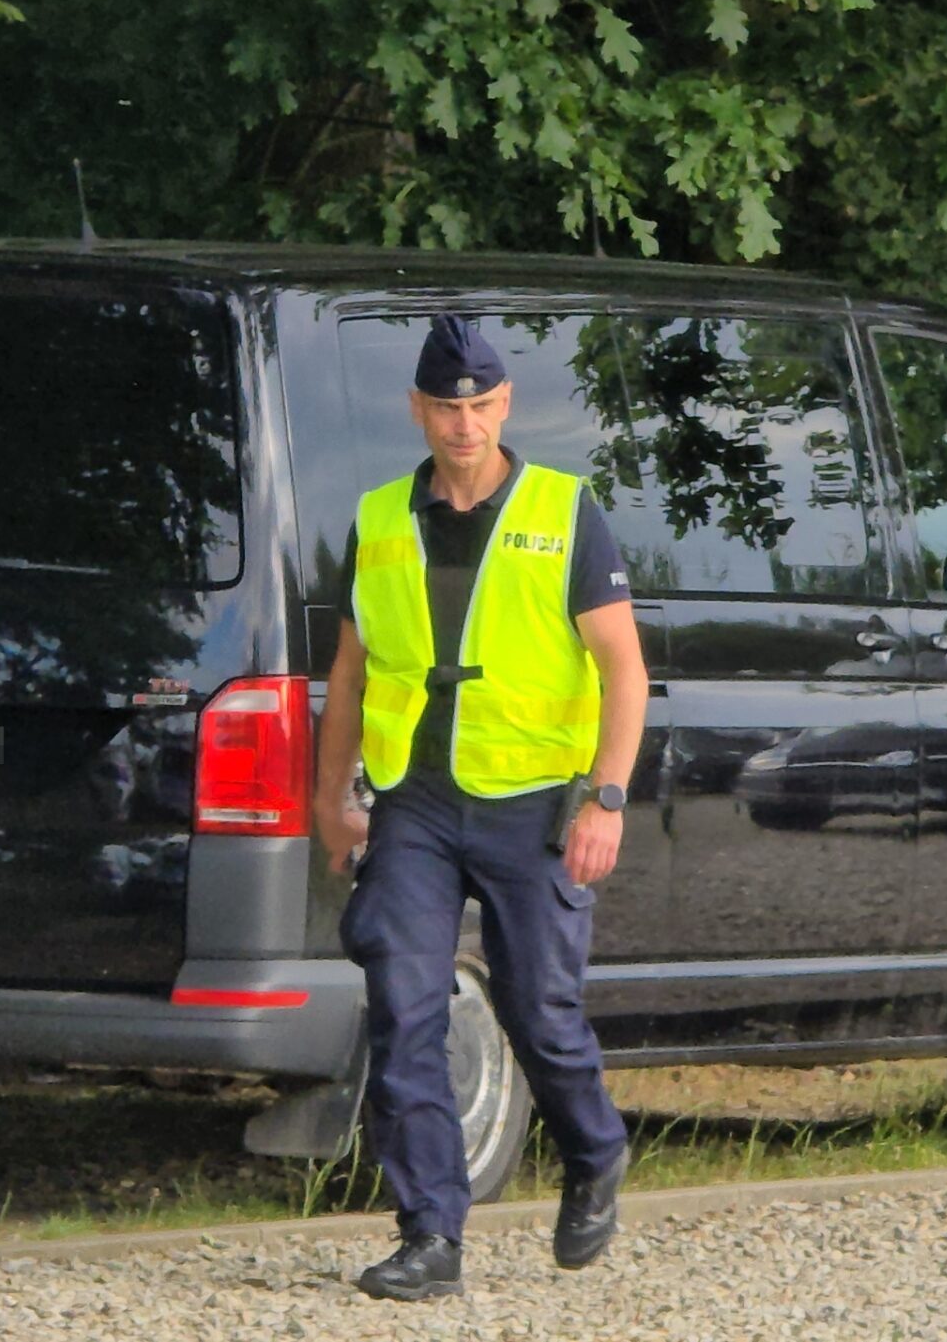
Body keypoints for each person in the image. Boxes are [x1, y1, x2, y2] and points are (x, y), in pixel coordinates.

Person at [313, 314, 649, 1301]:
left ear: (504, 406)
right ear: (418, 410)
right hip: (413, 801)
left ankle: (594, 1150)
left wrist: (606, 798)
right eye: (445, 407)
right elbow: (350, 672)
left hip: (533, 803)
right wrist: (331, 797)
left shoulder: (565, 510)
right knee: (404, 1007)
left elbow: (624, 670)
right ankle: (430, 1233)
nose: (464, 424)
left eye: (481, 405)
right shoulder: (380, 517)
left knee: (539, 1011)